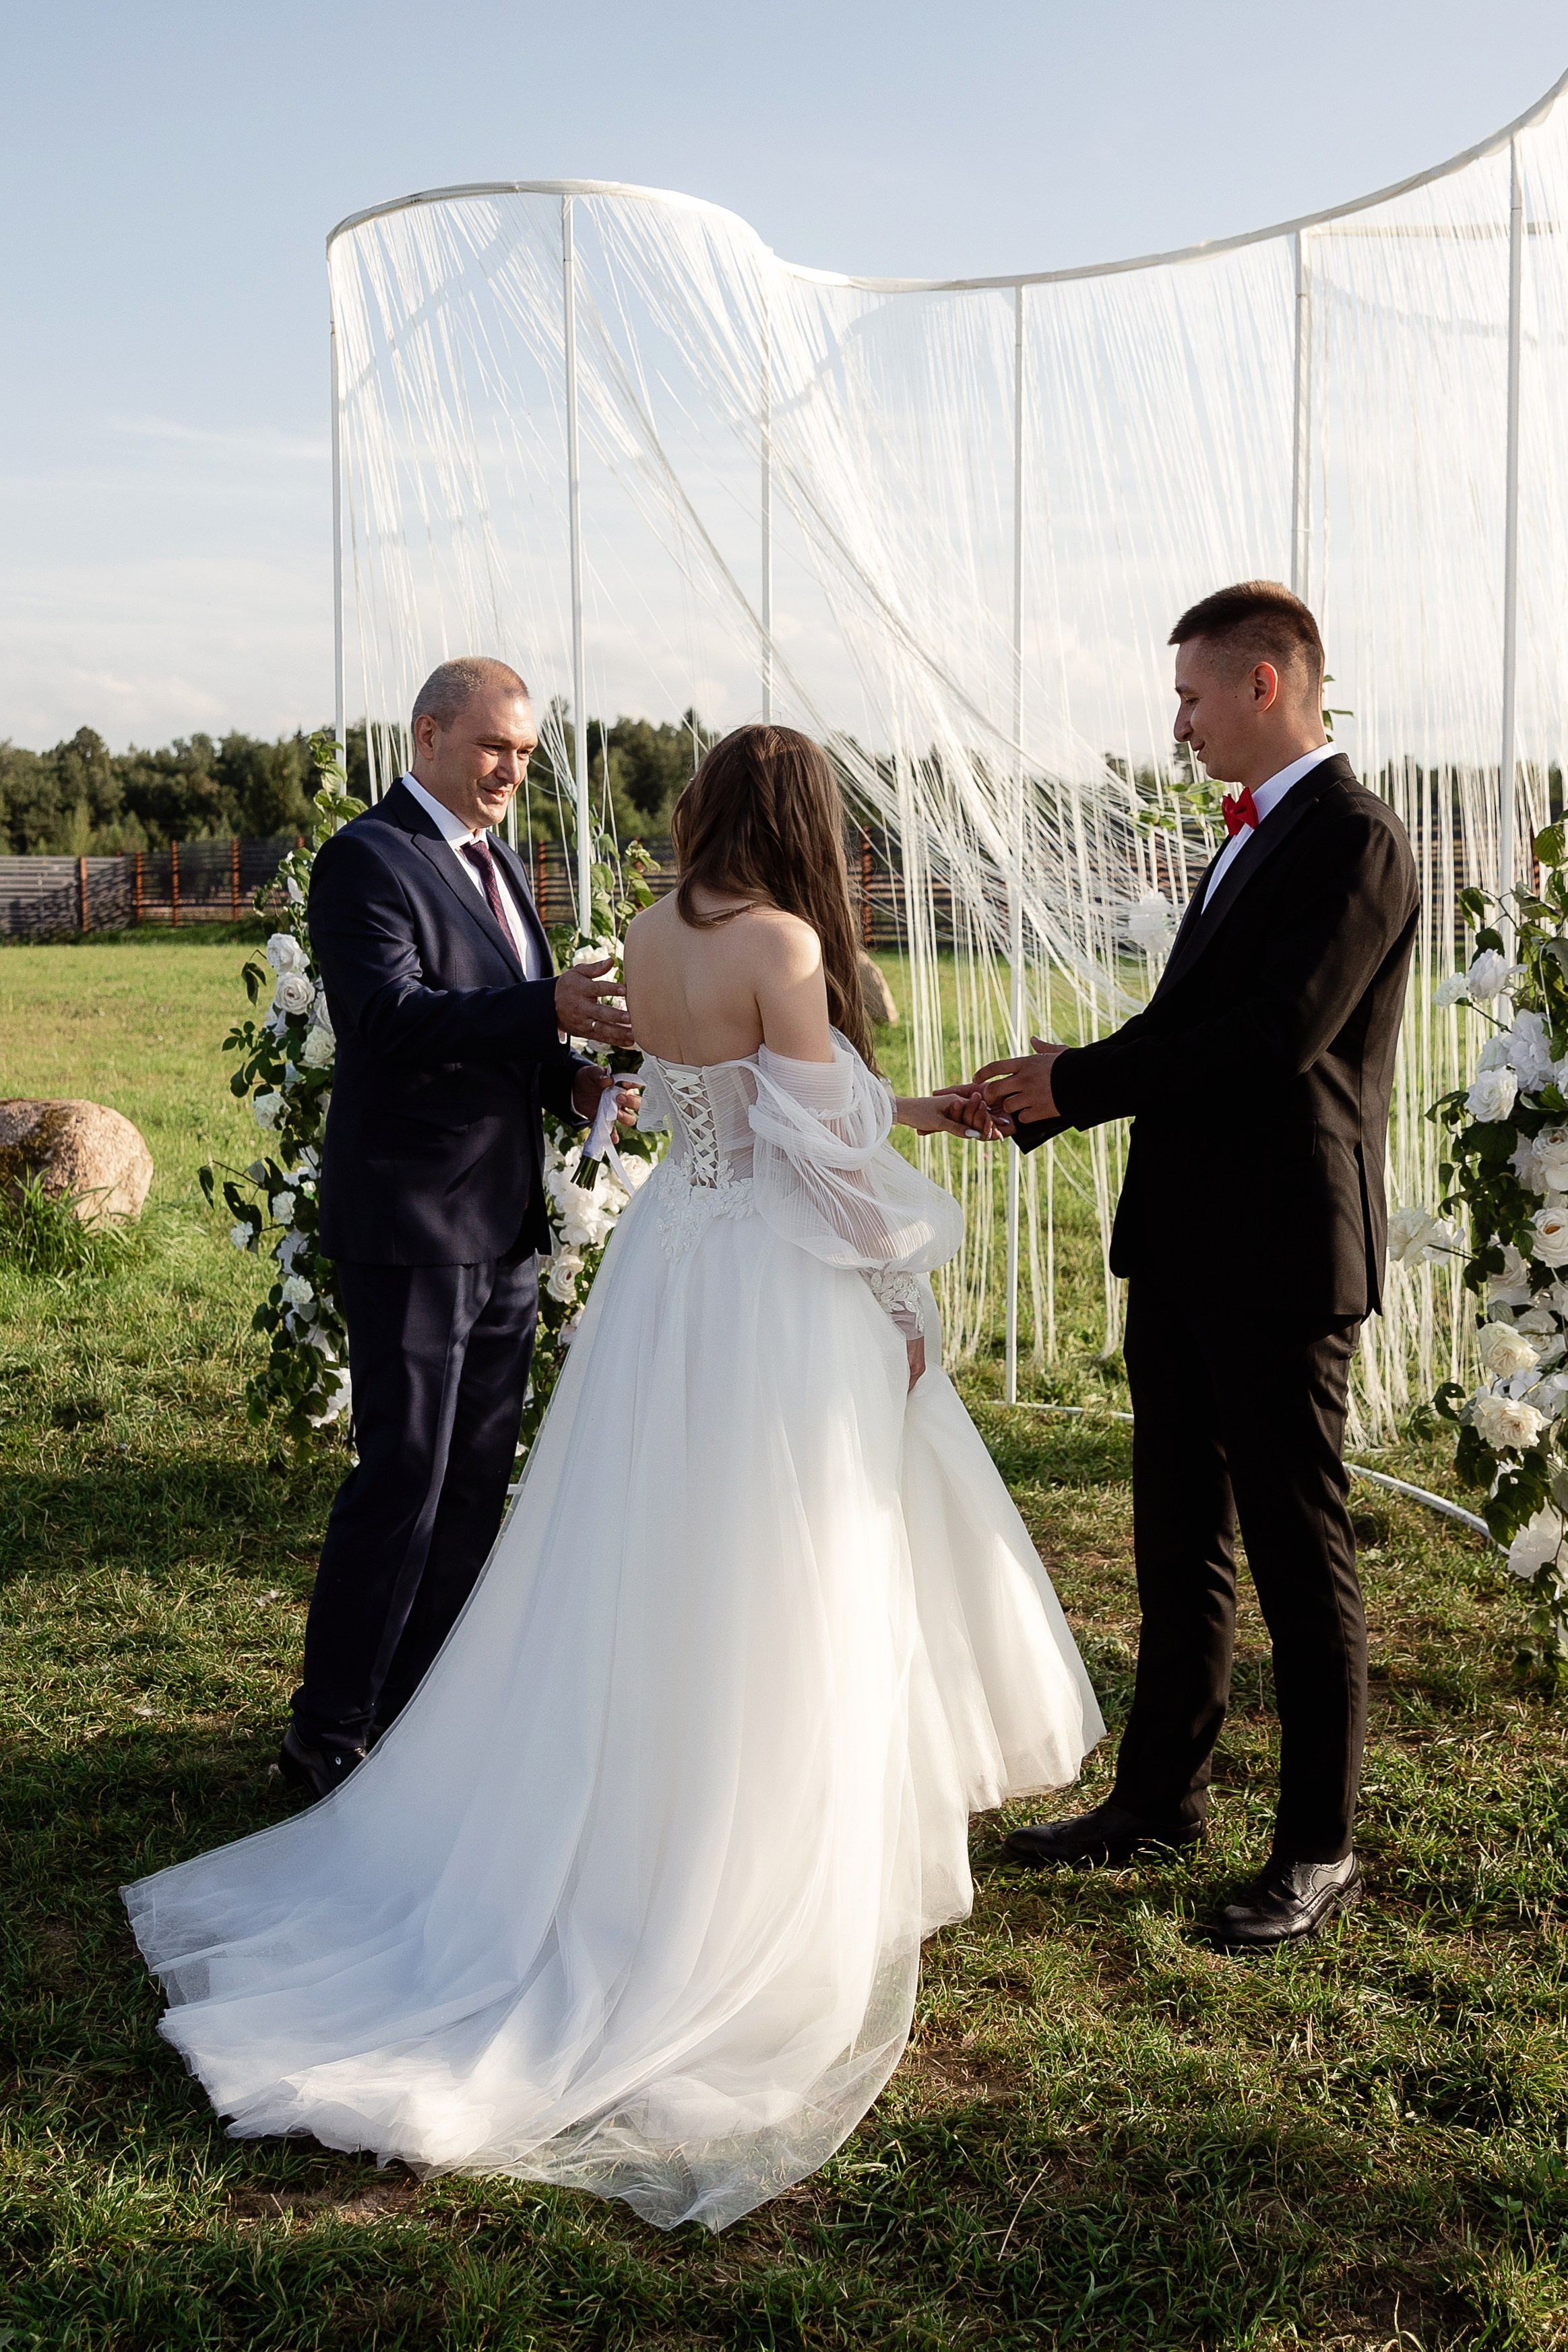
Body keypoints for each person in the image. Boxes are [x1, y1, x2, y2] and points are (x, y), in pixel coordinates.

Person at [122, 721, 1102, 2233]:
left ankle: (634, 1810)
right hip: (776, 1290)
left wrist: (904, 1111)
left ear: (712, 806)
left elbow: (739, 1114)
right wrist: (906, 1283)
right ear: (806, 820)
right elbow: (822, 1170)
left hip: (676, 1273)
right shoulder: (783, 938)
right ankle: (748, 1859)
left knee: (650, 1558)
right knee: (788, 1567)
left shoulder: (654, 928)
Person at [974, 582, 1418, 1950]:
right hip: (1182, 1239)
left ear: (1266, 685)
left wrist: (1076, 1081)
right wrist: (1054, 1088)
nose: (1178, 724)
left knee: (1299, 1546)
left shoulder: (1355, 839)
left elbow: (1273, 1037)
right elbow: (1193, 1026)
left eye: (1191, 696)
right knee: (1178, 1536)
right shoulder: (1247, 841)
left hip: (1284, 1248)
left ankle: (1319, 1844)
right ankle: (1157, 1796)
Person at [282, 656, 637, 1799]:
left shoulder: (497, 865)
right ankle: (328, 1733)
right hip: (411, 1220)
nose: (511, 770)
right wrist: (545, 1006)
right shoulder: (366, 859)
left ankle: (423, 1714)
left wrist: (573, 1084)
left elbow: (507, 1034)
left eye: (527, 753)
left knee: (480, 1474)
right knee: (406, 1472)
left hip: (503, 1220)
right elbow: (389, 1019)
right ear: (428, 734)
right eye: (495, 747)